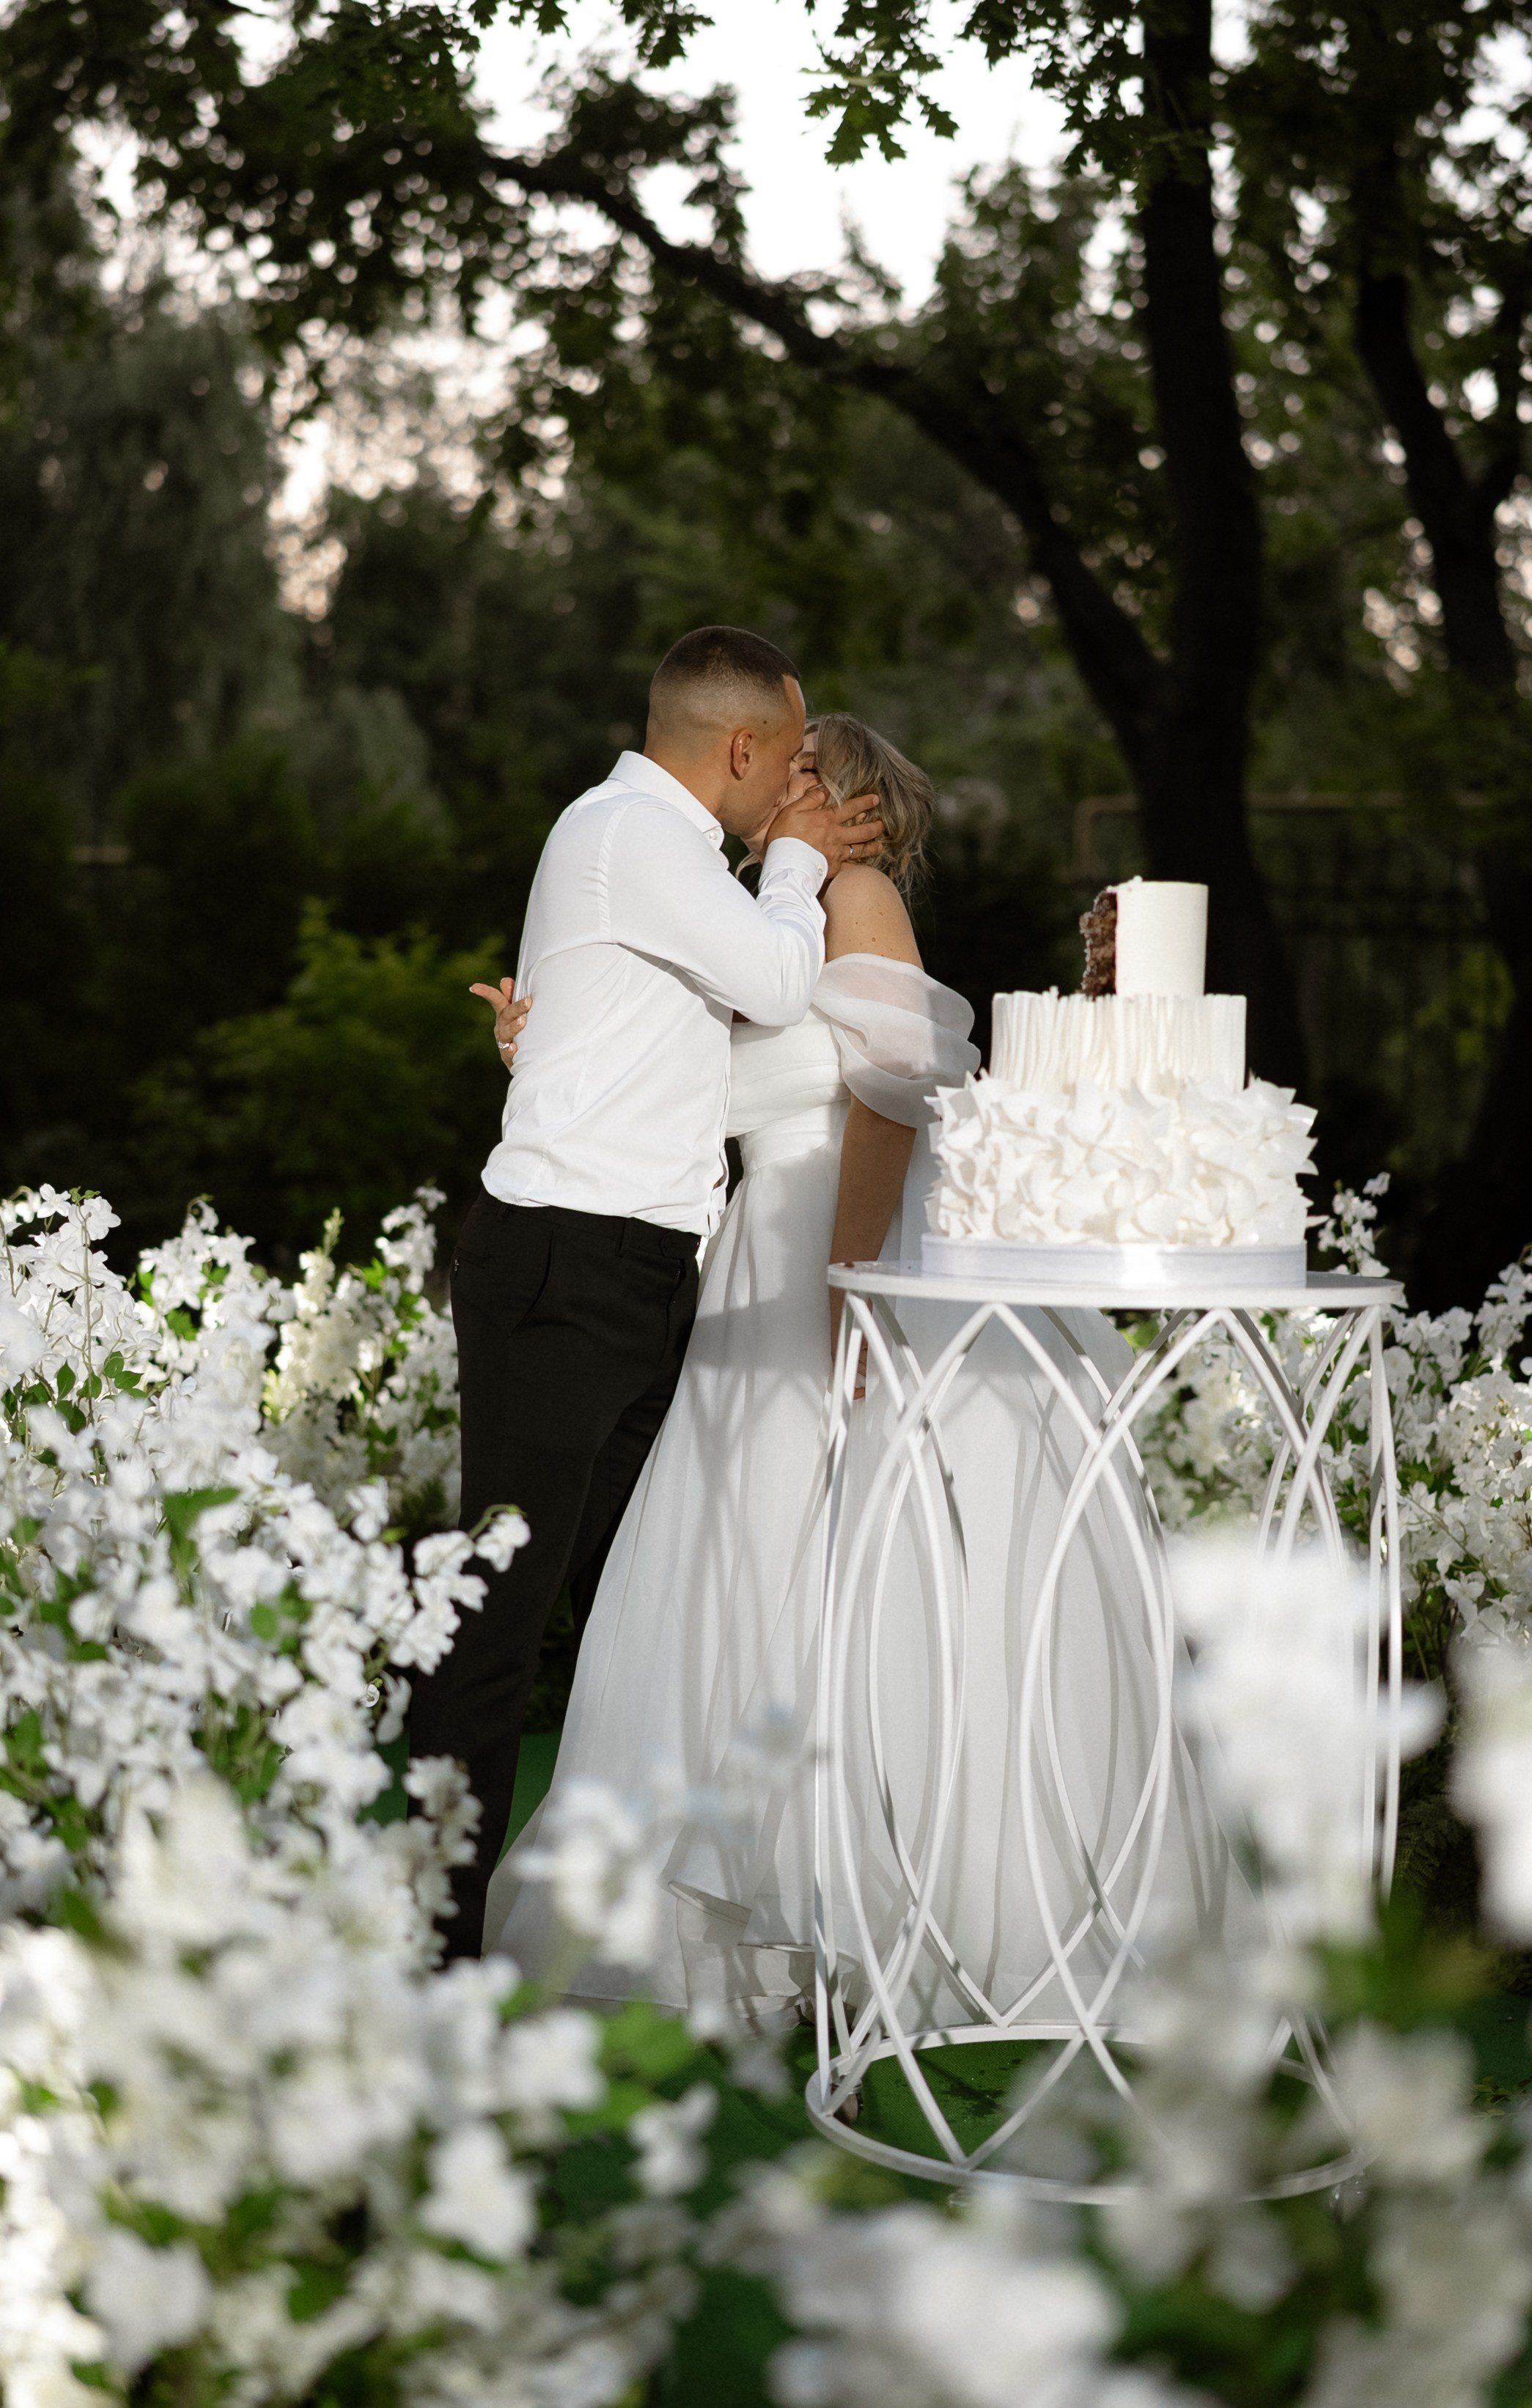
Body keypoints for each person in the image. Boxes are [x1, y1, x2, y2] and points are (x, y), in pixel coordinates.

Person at [483, 715, 1244, 2036]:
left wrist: (850, 1292)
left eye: (790, 770)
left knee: (843, 1564)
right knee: (745, 1574)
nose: (762, 784)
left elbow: (894, 1098)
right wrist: (538, 1052)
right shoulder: (766, 920)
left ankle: (890, 1907)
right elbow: (694, 1084)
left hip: (834, 1248)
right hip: (762, 1260)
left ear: (832, 796)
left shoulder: (859, 894)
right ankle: (748, 1920)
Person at [408, 629, 882, 1959]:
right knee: (496, 1613)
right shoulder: (635, 836)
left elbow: (668, 1044)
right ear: (743, 750)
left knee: (643, 1608)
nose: (796, 787)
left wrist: (535, 1040)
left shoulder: (660, 858)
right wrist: (798, 857)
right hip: (564, 1265)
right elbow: (781, 977)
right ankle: (423, 1943)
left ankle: (645, 1931)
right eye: (789, 762)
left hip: (638, 1267)